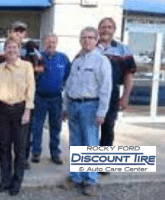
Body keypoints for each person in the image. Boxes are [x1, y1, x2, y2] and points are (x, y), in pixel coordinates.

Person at [61, 27, 112, 196]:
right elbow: (69, 86)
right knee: (75, 143)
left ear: (96, 40)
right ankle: (76, 177)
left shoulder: (101, 61)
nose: (87, 40)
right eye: (84, 37)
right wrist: (65, 107)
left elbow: (106, 88)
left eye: (90, 37)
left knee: (91, 144)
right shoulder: (76, 61)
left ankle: (91, 180)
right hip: (74, 105)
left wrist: (102, 112)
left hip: (91, 106)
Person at [0, 36, 35, 196]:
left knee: (20, 148)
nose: (11, 50)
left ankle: (17, 181)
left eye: (15, 48)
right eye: (8, 47)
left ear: (19, 50)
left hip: (20, 109)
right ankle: (5, 180)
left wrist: (27, 111)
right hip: (3, 110)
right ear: (4, 50)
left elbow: (30, 90)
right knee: (4, 147)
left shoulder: (27, 66)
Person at [96, 18, 137, 175]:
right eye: (103, 26)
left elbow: (129, 75)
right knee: (90, 131)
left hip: (112, 96)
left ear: (114, 30)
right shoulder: (91, 46)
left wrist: (125, 96)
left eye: (109, 27)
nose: (106, 30)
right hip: (92, 96)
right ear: (98, 29)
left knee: (108, 130)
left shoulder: (123, 50)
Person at [30, 33, 71, 165]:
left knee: (56, 127)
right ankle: (36, 152)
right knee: (37, 126)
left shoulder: (63, 58)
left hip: (56, 99)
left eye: (53, 42)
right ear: (44, 42)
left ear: (57, 43)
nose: (51, 44)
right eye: (48, 42)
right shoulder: (37, 57)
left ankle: (55, 153)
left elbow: (67, 76)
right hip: (39, 97)